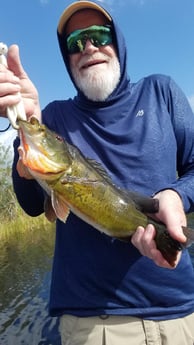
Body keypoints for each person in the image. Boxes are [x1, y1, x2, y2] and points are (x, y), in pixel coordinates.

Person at [0, 1, 194, 344]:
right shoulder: (53, 117)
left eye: (98, 35)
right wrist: (24, 123)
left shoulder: (162, 92)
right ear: (67, 58)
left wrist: (178, 195)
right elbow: (33, 204)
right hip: (92, 323)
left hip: (179, 311)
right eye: (75, 42)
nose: (88, 47)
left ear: (117, 41)